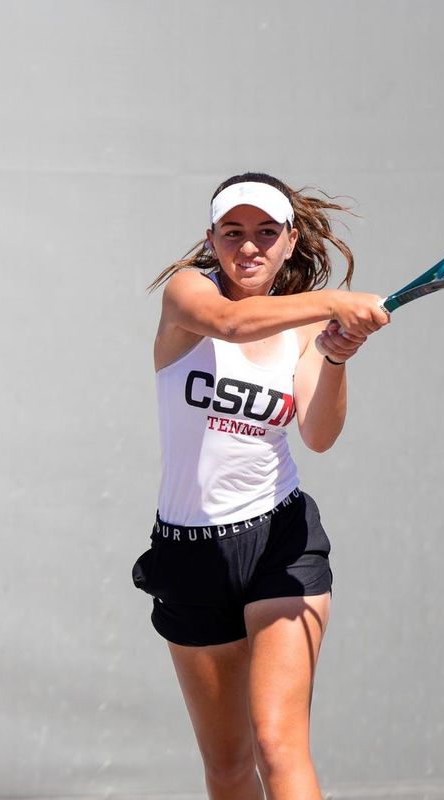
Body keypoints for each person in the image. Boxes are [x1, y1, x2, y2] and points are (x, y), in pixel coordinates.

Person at [132, 172, 390, 799]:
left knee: (279, 745)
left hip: (280, 542)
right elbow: (233, 323)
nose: (249, 247)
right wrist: (334, 302)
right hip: (191, 554)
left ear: (290, 239)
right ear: (212, 238)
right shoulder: (188, 294)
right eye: (234, 232)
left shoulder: (303, 329)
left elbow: (319, 434)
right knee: (227, 766)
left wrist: (334, 356)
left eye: (266, 233)